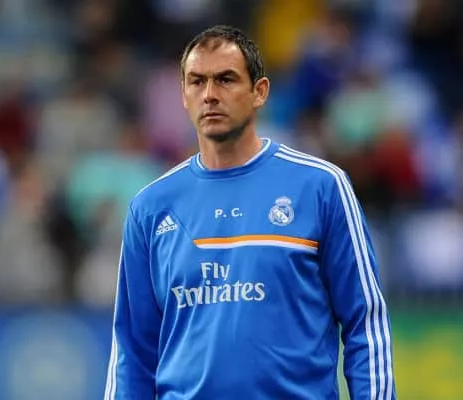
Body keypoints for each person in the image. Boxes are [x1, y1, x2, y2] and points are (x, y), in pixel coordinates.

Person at [104, 25, 396, 399]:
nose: (210, 94)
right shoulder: (150, 207)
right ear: (183, 96)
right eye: (197, 82)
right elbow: (132, 351)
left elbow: (365, 322)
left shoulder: (321, 186)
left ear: (260, 92)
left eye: (225, 79)